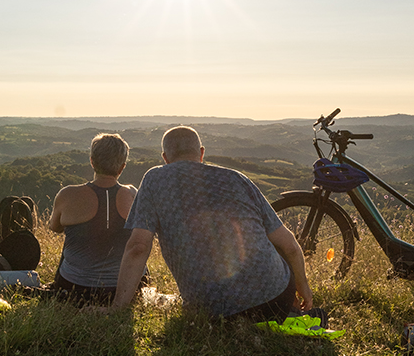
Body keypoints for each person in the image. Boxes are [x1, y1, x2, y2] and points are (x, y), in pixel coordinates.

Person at [104, 126, 313, 322]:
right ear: (201, 153)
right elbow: (290, 246)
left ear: (165, 158)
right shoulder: (237, 178)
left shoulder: (154, 179)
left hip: (210, 310)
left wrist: (117, 308)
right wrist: (302, 285)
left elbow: (138, 247)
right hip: (277, 301)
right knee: (271, 233)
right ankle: (291, 309)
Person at [48, 133, 143, 305]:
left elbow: (54, 227)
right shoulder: (132, 195)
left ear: (92, 161)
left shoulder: (67, 194)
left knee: (72, 240)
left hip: (73, 287)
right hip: (123, 290)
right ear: (122, 167)